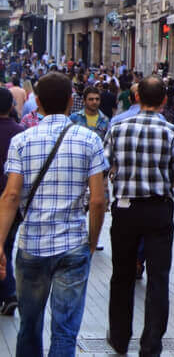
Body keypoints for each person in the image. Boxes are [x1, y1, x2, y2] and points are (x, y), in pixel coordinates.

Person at [0, 72, 108, 355]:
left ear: (38, 103)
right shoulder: (90, 140)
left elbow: (11, 195)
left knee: (30, 325)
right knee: (65, 331)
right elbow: (98, 201)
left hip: (33, 245)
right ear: (72, 101)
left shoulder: (22, 141)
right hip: (73, 246)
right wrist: (91, 242)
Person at [104, 76, 174, 355]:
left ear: (137, 98)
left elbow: (103, 168)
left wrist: (104, 201)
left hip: (125, 210)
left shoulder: (118, 128)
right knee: (158, 278)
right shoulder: (171, 132)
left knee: (122, 275)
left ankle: (119, 337)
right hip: (157, 211)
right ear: (165, 101)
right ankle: (151, 344)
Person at [0, 88, 24, 315]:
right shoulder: (21, 133)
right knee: (6, 245)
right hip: (13, 200)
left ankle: (7, 293)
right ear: (11, 107)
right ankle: (8, 294)